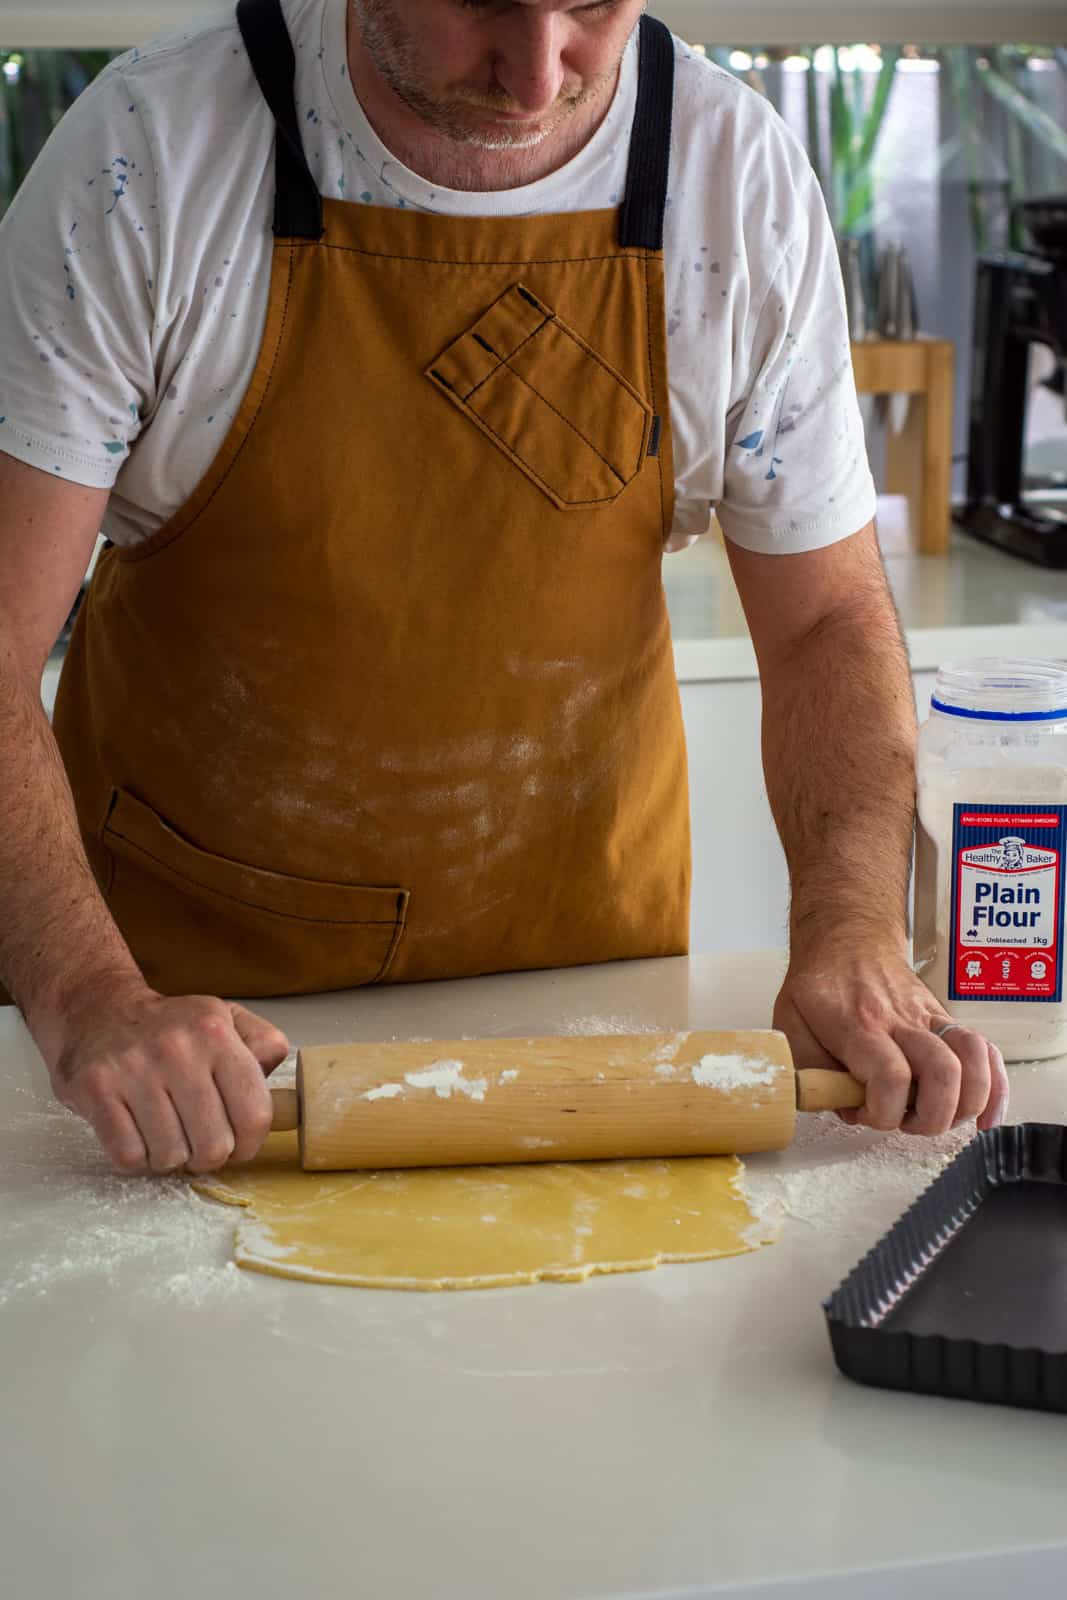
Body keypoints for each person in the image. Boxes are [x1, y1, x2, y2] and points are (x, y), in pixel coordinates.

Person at [0, 0, 1008, 1177]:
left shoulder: (730, 179)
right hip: (198, 1033)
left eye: (588, 8)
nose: (536, 79)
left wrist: (852, 930)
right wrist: (86, 997)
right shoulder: (147, 153)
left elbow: (827, 621)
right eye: (480, 1)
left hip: (590, 1002)